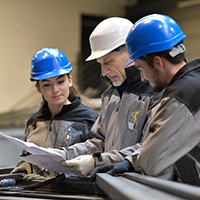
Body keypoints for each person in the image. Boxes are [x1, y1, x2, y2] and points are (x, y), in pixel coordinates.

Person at [90, 14, 200, 186]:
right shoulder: (194, 82)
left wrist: (128, 163)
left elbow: (152, 162)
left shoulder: (181, 96)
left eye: (141, 69)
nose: (141, 78)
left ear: (157, 62)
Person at [59, 17, 163, 177]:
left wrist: (98, 161)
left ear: (131, 50)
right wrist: (63, 154)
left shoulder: (156, 93)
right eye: (100, 64)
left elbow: (150, 148)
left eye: (108, 62)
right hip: (112, 184)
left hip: (143, 186)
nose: (104, 72)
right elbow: (99, 141)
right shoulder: (110, 96)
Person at [11, 48, 98, 180]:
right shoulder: (34, 122)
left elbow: (97, 163)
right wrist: (25, 165)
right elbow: (28, 155)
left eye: (60, 81)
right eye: (47, 85)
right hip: (37, 194)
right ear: (38, 88)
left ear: (70, 80)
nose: (55, 90)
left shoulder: (90, 120)